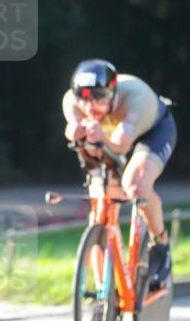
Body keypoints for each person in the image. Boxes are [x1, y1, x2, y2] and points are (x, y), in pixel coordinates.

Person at [62, 59, 177, 282]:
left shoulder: (136, 96)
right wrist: (73, 131)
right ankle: (102, 296)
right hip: (108, 137)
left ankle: (160, 244)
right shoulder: (71, 100)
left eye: (98, 97)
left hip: (151, 133)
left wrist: (101, 136)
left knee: (136, 184)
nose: (90, 106)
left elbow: (121, 146)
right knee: (100, 208)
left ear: (113, 91)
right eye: (84, 99)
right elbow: (73, 131)